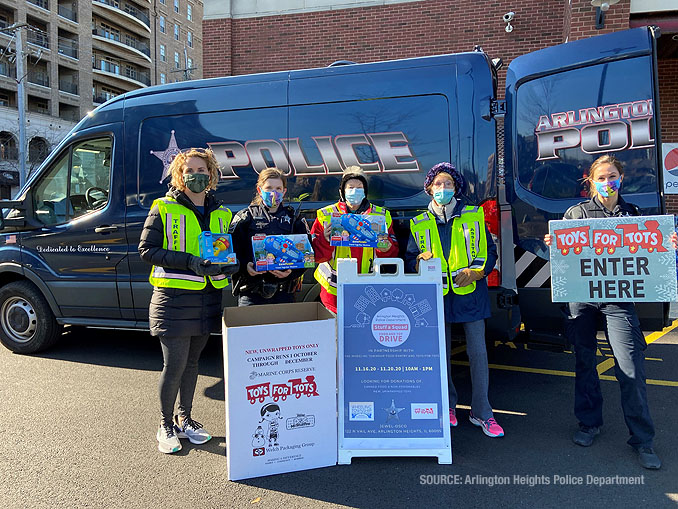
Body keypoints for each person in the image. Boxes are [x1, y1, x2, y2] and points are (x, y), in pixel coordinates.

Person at [544, 154, 677, 470]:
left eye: (612, 176)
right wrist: (555, 244)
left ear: (622, 179)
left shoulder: (632, 215)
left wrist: (668, 246)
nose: (607, 182)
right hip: (582, 300)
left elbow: (652, 256)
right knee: (585, 361)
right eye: (601, 177)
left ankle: (642, 439)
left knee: (630, 367)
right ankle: (589, 424)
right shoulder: (575, 214)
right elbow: (565, 261)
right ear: (591, 181)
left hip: (618, 300)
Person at [139, 147, 238, 454]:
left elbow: (224, 250)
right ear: (179, 175)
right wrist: (190, 261)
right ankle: (165, 423)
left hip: (207, 297)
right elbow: (147, 250)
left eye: (203, 170)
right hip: (174, 297)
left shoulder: (222, 212)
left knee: (193, 363)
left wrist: (230, 264)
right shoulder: (163, 207)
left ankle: (186, 419)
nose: (197, 175)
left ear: (212, 175)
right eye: (190, 170)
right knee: (175, 364)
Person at [405, 162, 504, 438]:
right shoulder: (418, 222)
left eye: (448, 184)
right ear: (429, 189)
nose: (443, 188)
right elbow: (411, 257)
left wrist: (477, 272)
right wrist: (418, 263)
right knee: (441, 356)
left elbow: (489, 253)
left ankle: (482, 413)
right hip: (436, 296)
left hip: (470, 293)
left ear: (456, 188)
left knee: (478, 354)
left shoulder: (473, 215)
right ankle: (448, 406)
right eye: (438, 184)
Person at [310, 166, 399, 313]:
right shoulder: (326, 215)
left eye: (359, 187)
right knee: (336, 334)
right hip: (334, 293)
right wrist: (325, 240)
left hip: (368, 289)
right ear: (342, 190)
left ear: (365, 191)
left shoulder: (381, 216)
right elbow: (317, 256)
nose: (355, 191)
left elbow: (392, 253)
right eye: (350, 187)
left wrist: (386, 248)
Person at [229, 168, 309, 306]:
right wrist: (245, 267)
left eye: (278, 188)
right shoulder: (245, 217)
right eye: (269, 188)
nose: (274, 192)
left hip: (284, 293)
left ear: (284, 191)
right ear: (260, 190)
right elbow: (231, 251)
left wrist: (291, 273)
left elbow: (307, 256)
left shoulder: (294, 219)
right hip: (251, 293)